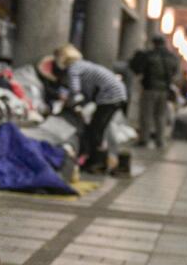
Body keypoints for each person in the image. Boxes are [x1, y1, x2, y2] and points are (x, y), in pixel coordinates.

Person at [41, 44, 131, 176]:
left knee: (96, 129)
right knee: (101, 128)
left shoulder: (73, 69)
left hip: (109, 96)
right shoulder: (83, 65)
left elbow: (76, 93)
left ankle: (98, 163)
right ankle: (108, 162)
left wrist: (68, 104)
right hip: (116, 93)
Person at [128, 35, 178, 147]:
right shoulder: (171, 57)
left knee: (146, 115)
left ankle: (144, 139)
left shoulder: (149, 55)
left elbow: (138, 69)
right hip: (164, 90)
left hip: (149, 88)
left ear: (154, 43)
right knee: (160, 116)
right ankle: (160, 140)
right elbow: (175, 72)